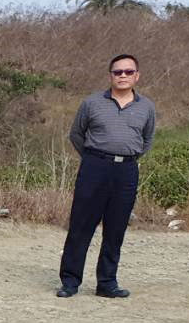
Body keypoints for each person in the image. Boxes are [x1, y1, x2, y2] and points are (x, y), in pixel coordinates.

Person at [58, 53, 156, 299]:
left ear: (137, 76)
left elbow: (147, 139)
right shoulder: (92, 103)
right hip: (94, 167)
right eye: (117, 72)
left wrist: (127, 157)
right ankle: (70, 282)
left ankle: (107, 283)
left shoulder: (146, 107)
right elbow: (76, 134)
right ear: (110, 75)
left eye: (128, 72)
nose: (123, 76)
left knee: (115, 229)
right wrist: (93, 158)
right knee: (81, 226)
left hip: (126, 171)